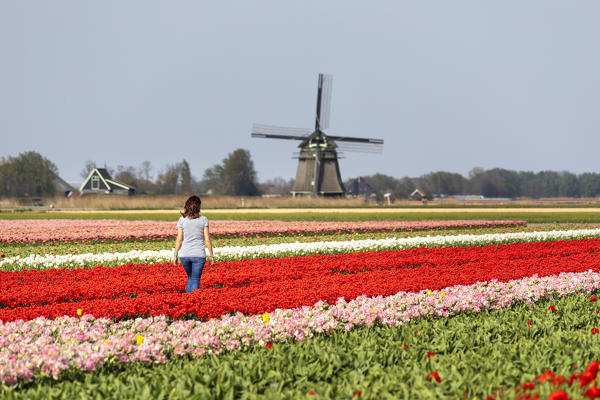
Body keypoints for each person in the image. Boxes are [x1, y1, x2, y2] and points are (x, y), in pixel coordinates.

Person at [173, 195, 214, 292]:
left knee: (190, 278)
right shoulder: (203, 219)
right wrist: (211, 256)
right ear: (199, 207)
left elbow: (179, 239)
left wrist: (175, 255)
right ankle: (194, 301)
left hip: (184, 255)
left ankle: (188, 301)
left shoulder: (182, 219)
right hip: (198, 255)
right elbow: (207, 239)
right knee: (195, 279)